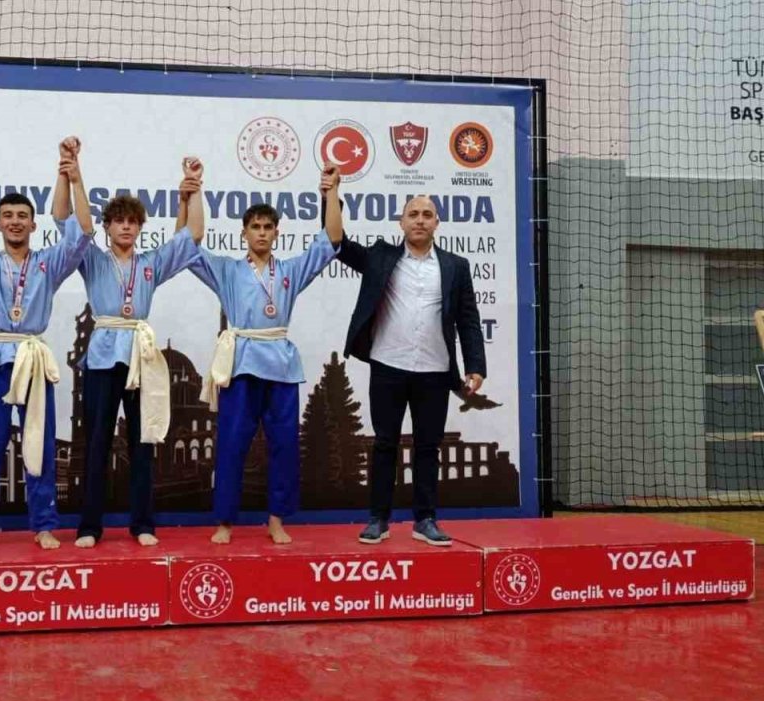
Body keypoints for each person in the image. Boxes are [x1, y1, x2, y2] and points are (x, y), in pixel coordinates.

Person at [0, 136, 95, 552]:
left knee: (40, 444)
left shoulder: (48, 264)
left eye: (22, 216)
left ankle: (43, 525)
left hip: (32, 358)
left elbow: (83, 232)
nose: (15, 222)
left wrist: (73, 175)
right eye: (7, 216)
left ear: (33, 225)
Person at [189, 162, 345, 545]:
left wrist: (331, 192)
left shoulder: (290, 270)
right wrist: (194, 191)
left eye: (267, 227)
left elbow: (331, 240)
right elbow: (190, 246)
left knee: (284, 446)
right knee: (231, 444)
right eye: (255, 227)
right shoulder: (227, 270)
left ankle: (276, 519)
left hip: (281, 366)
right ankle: (225, 521)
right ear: (243, 233)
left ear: (277, 232)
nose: (261, 232)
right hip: (240, 365)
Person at [59, 155, 206, 548]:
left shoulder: (151, 264)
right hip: (103, 356)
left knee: (143, 442)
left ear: (140, 228)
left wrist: (194, 189)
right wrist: (74, 175)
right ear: (107, 227)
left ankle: (142, 523)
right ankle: (89, 526)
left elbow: (192, 235)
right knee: (97, 443)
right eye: (118, 220)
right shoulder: (91, 259)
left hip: (141, 358)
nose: (126, 226)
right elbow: (68, 220)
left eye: (132, 221)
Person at [334, 193, 486, 547]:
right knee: (385, 444)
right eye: (413, 214)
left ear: (437, 223)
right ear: (401, 222)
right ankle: (378, 519)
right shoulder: (380, 257)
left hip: (435, 370)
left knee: (428, 447)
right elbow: (339, 244)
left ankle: (425, 520)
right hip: (388, 365)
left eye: (427, 214)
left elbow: (468, 319)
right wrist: (330, 198)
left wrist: (476, 365)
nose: (420, 220)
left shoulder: (456, 266)